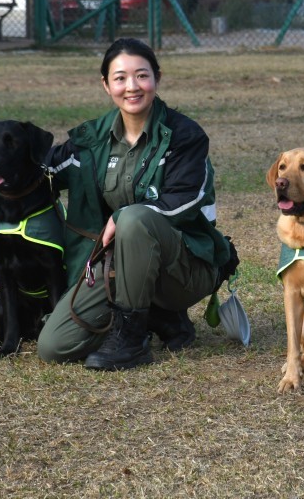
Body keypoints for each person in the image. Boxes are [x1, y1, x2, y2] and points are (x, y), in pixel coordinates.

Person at [38, 37, 234, 370]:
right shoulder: (92, 139)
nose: (132, 86)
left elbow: (185, 200)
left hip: (185, 265)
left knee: (133, 220)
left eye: (142, 75)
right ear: (105, 85)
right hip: (118, 264)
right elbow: (44, 171)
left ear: (157, 78)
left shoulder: (185, 135)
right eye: (120, 78)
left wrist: (125, 215)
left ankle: (130, 341)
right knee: (54, 346)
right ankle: (158, 317)